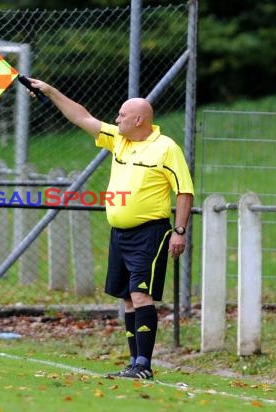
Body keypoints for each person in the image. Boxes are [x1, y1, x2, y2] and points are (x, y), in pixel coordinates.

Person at [28, 78, 194, 380]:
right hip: (120, 234)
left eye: (121, 115)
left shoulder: (166, 148)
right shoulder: (119, 139)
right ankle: (134, 363)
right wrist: (51, 91)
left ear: (139, 119)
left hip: (151, 233)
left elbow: (184, 191)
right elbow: (82, 117)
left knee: (141, 296)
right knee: (128, 299)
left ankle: (144, 364)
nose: (116, 120)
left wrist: (179, 231)